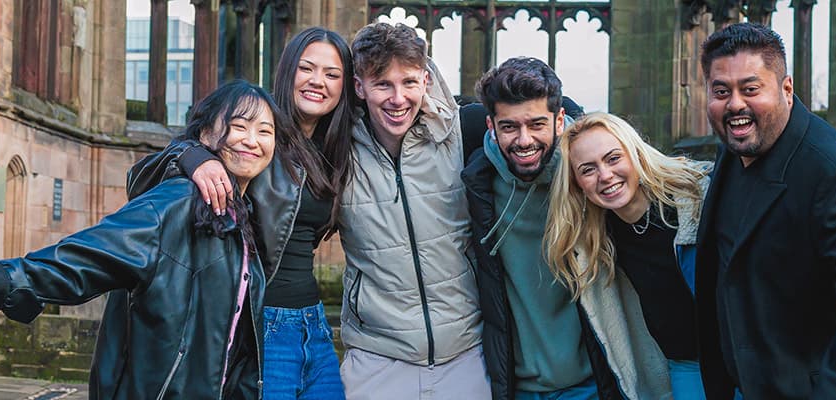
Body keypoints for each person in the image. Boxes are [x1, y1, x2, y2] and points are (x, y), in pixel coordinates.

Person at [0, 81, 305, 399]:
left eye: (265, 131)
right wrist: (7, 279)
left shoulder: (242, 217)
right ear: (205, 133)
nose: (252, 140)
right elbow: (96, 251)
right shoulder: (178, 201)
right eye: (239, 126)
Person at [691, 23, 836, 399]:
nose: (735, 104)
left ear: (786, 89)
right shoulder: (735, 147)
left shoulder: (833, 171)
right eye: (721, 91)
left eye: (750, 88)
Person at [135, 27, 357, 400]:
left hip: (314, 326)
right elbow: (151, 169)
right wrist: (195, 159)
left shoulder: (336, 145)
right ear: (288, 71)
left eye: (332, 74)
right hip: (264, 326)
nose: (317, 81)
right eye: (306, 68)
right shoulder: (257, 135)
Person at [462, 58, 670, 400]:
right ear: (491, 125)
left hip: (593, 383)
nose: (524, 140)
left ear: (560, 120)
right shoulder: (476, 183)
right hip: (514, 386)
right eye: (509, 127)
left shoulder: (592, 177)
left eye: (537, 124)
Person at [332, 23, 486, 399]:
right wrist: (191, 157)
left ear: (426, 79)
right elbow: (250, 137)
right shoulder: (335, 147)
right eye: (383, 84)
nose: (398, 98)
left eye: (409, 82)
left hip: (465, 355)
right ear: (359, 86)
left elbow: (553, 128)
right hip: (377, 359)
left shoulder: (465, 129)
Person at [545, 112, 710, 400]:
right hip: (686, 364)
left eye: (613, 158)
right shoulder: (598, 240)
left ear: (635, 154)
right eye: (588, 169)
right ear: (578, 185)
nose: (605, 176)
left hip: (740, 356)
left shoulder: (695, 201)